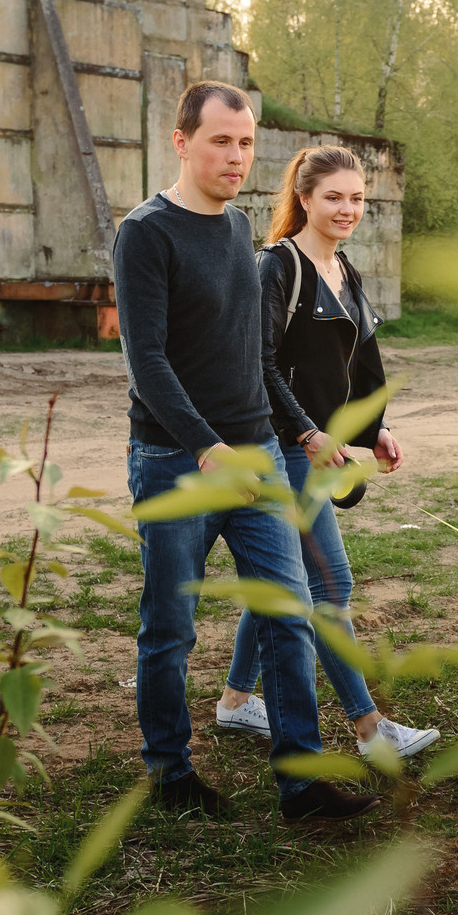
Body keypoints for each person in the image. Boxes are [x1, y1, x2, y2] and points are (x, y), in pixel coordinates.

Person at [111, 81, 378, 823]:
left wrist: (298, 433)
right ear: (181, 141)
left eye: (246, 142)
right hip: (176, 461)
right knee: (171, 627)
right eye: (221, 141)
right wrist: (206, 447)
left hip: (257, 454)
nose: (237, 156)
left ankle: (301, 782)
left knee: (289, 613)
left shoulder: (238, 229)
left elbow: (254, 355)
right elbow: (147, 361)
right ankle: (170, 772)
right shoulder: (146, 233)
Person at [215, 146, 441, 762]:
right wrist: (307, 433)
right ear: (305, 198)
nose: (348, 209)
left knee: (284, 581)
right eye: (334, 197)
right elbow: (260, 363)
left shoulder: (344, 268)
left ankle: (235, 700)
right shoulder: (277, 266)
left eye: (357, 198)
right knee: (328, 583)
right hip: (284, 449)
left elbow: (361, 360)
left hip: (320, 447)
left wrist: (376, 428)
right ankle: (370, 728)